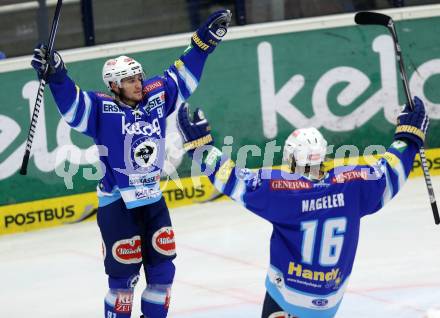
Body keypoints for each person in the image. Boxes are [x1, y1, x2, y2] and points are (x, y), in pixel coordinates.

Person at [31, 9, 231, 318]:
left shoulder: (155, 96)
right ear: (114, 85)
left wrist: (204, 42)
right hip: (116, 205)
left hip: (152, 201)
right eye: (129, 80)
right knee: (123, 285)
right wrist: (57, 74)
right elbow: (72, 105)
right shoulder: (101, 108)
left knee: (163, 276)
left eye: (138, 77)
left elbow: (183, 75)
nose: (138, 83)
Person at [176, 97, 429, 318]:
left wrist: (201, 149)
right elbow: (390, 172)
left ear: (291, 158)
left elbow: (231, 178)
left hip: (287, 295)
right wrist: (407, 137)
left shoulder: (283, 191)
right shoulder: (353, 185)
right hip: (329, 301)